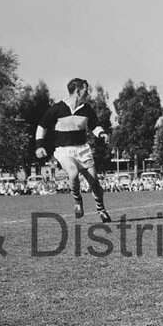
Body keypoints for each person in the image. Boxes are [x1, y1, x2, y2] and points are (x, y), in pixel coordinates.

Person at [34, 77, 112, 223]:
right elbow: (42, 125)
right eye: (85, 90)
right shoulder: (57, 108)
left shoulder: (86, 109)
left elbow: (95, 125)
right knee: (73, 173)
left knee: (94, 182)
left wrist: (102, 134)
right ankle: (77, 200)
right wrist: (39, 145)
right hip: (64, 150)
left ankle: (101, 210)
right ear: (77, 91)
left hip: (82, 149)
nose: (87, 93)